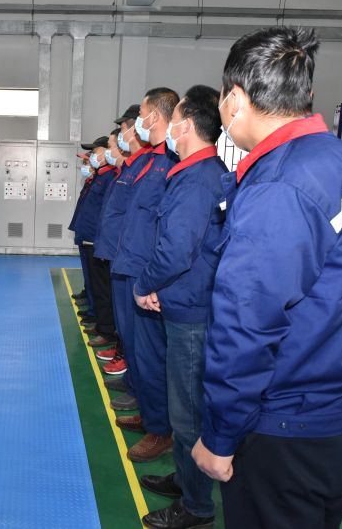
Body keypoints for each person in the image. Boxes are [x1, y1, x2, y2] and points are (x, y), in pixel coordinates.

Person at [192, 27, 342, 529]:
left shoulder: (280, 185)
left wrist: (220, 435)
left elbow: (246, 324)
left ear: (235, 99)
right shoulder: (341, 162)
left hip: (285, 427)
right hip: (340, 415)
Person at [133, 85, 228, 529]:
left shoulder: (197, 179)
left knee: (188, 414)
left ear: (186, 125)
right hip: (183, 302)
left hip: (191, 312)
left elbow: (176, 251)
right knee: (183, 405)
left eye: (173, 120)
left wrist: (145, 285)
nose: (168, 126)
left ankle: (196, 508)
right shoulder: (195, 173)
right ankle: (186, 480)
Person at [111, 88, 180, 464]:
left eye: (141, 113)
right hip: (130, 264)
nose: (137, 122)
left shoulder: (170, 160)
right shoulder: (151, 160)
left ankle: (161, 430)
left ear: (156, 115)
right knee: (139, 350)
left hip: (147, 275)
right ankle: (150, 413)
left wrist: (152, 279)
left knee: (153, 355)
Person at [91, 105, 141, 384]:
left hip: (127, 256)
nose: (113, 147)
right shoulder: (122, 172)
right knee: (120, 313)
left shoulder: (139, 169)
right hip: (113, 251)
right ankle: (119, 348)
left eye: (112, 145)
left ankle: (126, 362)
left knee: (130, 319)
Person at [75, 137, 115, 337]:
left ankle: (105, 325)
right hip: (88, 235)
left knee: (101, 286)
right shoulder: (99, 176)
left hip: (96, 238)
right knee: (94, 282)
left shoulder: (109, 177)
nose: (91, 157)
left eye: (95, 152)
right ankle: (98, 318)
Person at [70, 152, 97, 318]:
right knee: (88, 272)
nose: (84, 166)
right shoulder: (89, 182)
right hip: (83, 231)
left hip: (91, 235)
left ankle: (93, 308)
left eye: (87, 162)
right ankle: (88, 296)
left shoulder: (99, 181)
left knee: (93, 275)